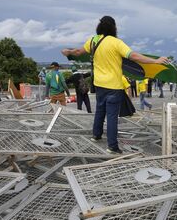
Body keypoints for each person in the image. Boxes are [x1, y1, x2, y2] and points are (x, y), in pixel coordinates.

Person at [61, 15, 168, 154]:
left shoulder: (93, 41)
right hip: (114, 86)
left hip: (99, 84)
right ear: (113, 27)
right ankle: (112, 146)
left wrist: (67, 52)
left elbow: (78, 52)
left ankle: (96, 135)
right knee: (111, 115)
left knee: (100, 110)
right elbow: (134, 56)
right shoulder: (116, 42)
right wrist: (155, 61)